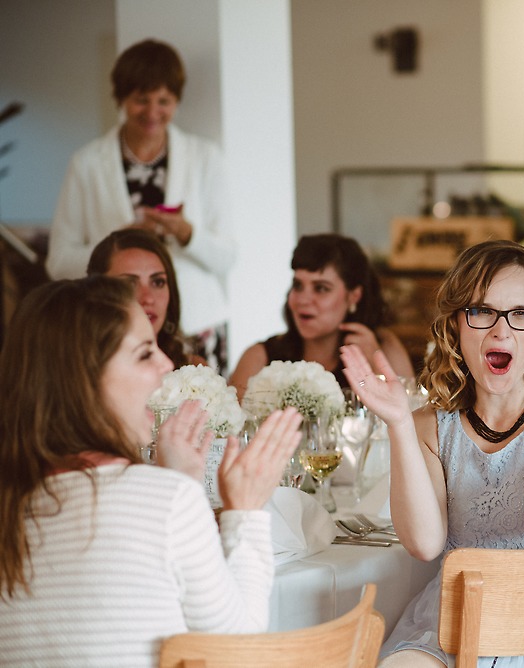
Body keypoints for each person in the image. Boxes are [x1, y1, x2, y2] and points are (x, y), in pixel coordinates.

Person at [0, 275, 302, 667]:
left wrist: (178, 481)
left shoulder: (13, 500)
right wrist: (244, 511)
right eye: (145, 354)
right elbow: (234, 646)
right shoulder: (167, 500)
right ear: (83, 380)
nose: (165, 364)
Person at [339, 240, 524, 667]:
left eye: (520, 314)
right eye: (482, 311)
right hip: (448, 627)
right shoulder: (432, 425)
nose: (501, 331)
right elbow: (425, 544)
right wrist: (398, 423)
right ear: (456, 326)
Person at [46, 38, 235, 372]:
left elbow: (227, 256)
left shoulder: (205, 158)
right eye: (140, 100)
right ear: (121, 99)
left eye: (164, 101)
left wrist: (187, 232)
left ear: (177, 100)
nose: (152, 112)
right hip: (116, 326)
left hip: (199, 323)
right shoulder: (87, 163)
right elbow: (59, 261)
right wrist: (120, 239)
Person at [229, 233, 414, 400]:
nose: (303, 299)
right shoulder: (259, 358)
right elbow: (234, 433)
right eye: (298, 285)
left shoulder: (383, 348)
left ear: (353, 296)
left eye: (321, 288)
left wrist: (375, 366)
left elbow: (409, 422)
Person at [87, 228, 205, 369]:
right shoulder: (81, 376)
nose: (148, 298)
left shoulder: (194, 371)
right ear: (97, 295)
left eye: (158, 282)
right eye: (129, 284)